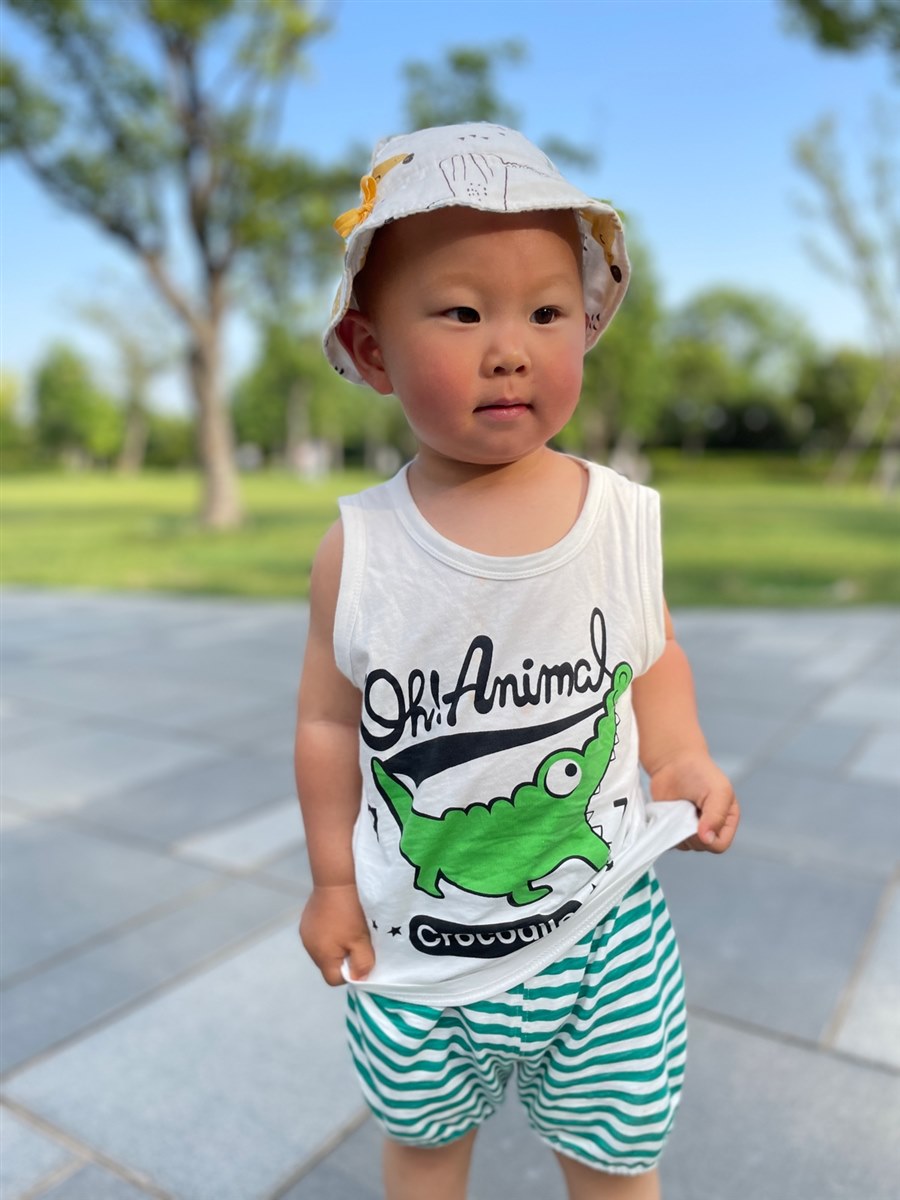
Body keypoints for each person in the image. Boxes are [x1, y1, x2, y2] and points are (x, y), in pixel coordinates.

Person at [295, 123, 739, 1200]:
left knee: (618, 1154)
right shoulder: (361, 549)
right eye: (462, 312)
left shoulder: (618, 519)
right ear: (370, 350)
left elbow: (652, 655)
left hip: (603, 935)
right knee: (422, 1148)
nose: (511, 348)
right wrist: (333, 882)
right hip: (420, 953)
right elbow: (326, 724)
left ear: (585, 327)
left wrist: (679, 755)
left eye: (546, 313)